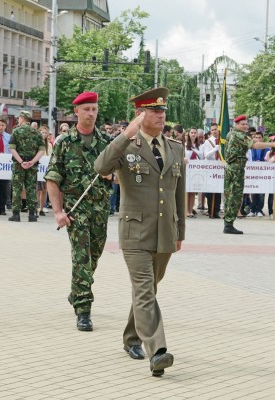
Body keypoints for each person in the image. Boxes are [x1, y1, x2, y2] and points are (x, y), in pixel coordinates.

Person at [94, 87, 185, 377]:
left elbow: (178, 194)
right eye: (154, 111)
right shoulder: (126, 148)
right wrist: (123, 136)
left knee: (148, 291)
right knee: (145, 290)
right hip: (135, 232)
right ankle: (157, 351)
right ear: (140, 114)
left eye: (163, 111)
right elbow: (100, 166)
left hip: (165, 232)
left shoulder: (176, 148)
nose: (161, 115)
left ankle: (131, 337)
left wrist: (180, 230)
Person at [45, 91, 113, 332]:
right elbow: (53, 179)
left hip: (101, 208)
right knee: (81, 257)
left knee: (94, 254)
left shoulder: (106, 142)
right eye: (86, 109)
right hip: (76, 210)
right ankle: (83, 309)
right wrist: (57, 212)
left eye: (94, 109)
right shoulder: (64, 143)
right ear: (76, 112)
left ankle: (76, 290)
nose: (91, 113)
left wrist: (112, 175)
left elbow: (122, 173)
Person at [223, 115, 275, 234]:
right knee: (235, 196)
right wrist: (273, 145)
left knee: (230, 195)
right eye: (242, 124)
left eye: (246, 124)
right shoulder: (239, 135)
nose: (245, 126)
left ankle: (228, 222)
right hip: (236, 168)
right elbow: (254, 145)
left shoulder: (231, 134)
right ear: (236, 125)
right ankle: (228, 224)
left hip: (231, 167)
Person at [8, 111, 46, 222]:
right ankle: (32, 214)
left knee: (17, 188)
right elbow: (42, 150)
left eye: (19, 118)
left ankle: (16, 214)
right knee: (31, 188)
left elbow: (12, 148)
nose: (18, 120)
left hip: (19, 165)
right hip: (32, 165)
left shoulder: (16, 131)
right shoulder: (37, 133)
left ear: (22, 118)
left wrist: (21, 162)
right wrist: (32, 162)